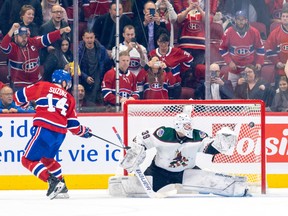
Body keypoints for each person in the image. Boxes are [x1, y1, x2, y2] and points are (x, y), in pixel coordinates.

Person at [118, 112, 249, 197]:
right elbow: (140, 138)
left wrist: (222, 143)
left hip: (187, 171)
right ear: (178, 125)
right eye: (185, 125)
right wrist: (136, 151)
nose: (189, 127)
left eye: (189, 124)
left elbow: (210, 147)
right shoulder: (163, 133)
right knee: (136, 192)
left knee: (212, 182)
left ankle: (238, 188)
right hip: (158, 172)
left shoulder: (198, 135)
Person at [13, 69, 93, 200]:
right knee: (47, 159)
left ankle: (52, 182)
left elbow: (17, 97)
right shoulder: (70, 98)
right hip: (60, 134)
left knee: (27, 160)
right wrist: (85, 131)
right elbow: (73, 126)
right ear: (63, 82)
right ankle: (62, 186)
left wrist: (25, 104)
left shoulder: (42, 86)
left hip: (45, 128)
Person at [0, 23, 71, 91]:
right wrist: (12, 30)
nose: (24, 39)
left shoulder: (33, 42)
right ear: (15, 37)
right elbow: (3, 47)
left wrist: (61, 31)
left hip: (36, 83)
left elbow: (47, 38)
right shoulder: (13, 47)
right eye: (21, 36)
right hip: (19, 85)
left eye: (26, 36)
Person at [219, 10, 265, 89]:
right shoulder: (229, 32)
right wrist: (229, 62)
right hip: (234, 69)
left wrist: (259, 62)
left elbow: (260, 48)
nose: (241, 21)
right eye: (238, 19)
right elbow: (222, 48)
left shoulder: (254, 32)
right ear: (235, 20)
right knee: (232, 92)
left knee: (249, 92)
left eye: (243, 19)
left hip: (249, 70)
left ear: (246, 20)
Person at [149, 33, 193, 99]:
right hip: (160, 86)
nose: (163, 45)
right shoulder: (153, 53)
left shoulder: (176, 51)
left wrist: (182, 69)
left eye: (165, 43)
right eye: (161, 42)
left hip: (175, 86)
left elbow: (190, 58)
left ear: (168, 42)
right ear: (158, 42)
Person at [79, 29, 112, 105]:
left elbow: (107, 65)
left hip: (98, 79)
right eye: (87, 38)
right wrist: (85, 77)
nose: (89, 40)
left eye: (91, 37)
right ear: (83, 38)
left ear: (94, 38)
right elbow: (76, 66)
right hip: (84, 80)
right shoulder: (79, 50)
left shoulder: (101, 50)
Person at [265, 5, 288, 87]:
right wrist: (277, 62)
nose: (285, 18)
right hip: (281, 71)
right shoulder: (275, 33)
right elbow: (269, 49)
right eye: (283, 16)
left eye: (287, 16)